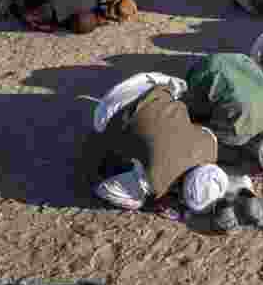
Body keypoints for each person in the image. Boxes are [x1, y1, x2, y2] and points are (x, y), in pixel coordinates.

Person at [83, 79, 222, 212]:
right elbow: (105, 189)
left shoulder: (211, 145)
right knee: (136, 199)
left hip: (153, 84)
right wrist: (147, 202)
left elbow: (199, 130)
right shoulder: (155, 182)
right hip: (110, 108)